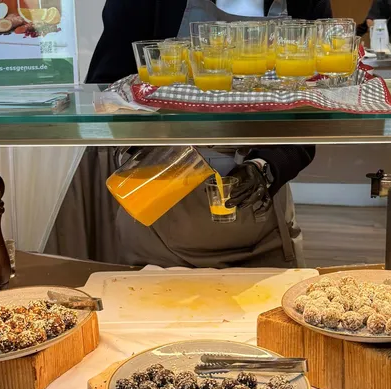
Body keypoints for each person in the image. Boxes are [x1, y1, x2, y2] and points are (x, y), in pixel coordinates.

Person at [64, 0, 332, 269]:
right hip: (160, 214)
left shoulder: (305, 3)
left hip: (264, 225)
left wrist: (267, 167)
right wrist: (166, 158)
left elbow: (313, 113)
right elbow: (108, 93)